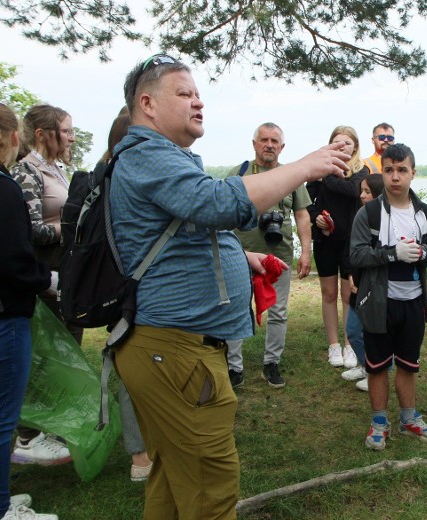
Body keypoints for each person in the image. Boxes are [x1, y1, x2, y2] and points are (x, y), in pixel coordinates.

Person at [110, 53, 348, 519]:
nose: (199, 102)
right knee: (209, 487)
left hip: (168, 348)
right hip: (176, 350)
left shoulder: (160, 157)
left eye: (198, 93)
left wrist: (241, 255)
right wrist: (304, 166)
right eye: (184, 93)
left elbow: (181, 228)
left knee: (174, 478)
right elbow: (218, 201)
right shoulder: (147, 154)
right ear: (147, 103)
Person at [0, 102, 58, 520]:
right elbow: (10, 259)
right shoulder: (0, 186)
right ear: (13, 137)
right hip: (1, 316)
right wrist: (46, 280)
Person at [349, 143, 427, 451]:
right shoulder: (370, 212)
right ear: (383, 172)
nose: (395, 177)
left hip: (414, 302)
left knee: (408, 363)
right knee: (376, 365)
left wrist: (424, 252)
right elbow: (356, 254)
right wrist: (392, 254)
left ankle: (408, 418)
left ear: (413, 173)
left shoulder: (425, 213)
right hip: (379, 302)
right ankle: (379, 422)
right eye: (389, 170)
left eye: (402, 170)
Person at [9, 104, 76, 467]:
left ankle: (56, 429)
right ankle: (29, 435)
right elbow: (29, 229)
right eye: (65, 131)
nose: (71, 137)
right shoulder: (26, 172)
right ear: (42, 134)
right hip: (43, 275)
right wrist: (71, 229)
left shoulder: (57, 170)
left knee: (66, 352)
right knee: (45, 356)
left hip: (66, 269)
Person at [225, 122, 313, 389]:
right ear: (254, 144)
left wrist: (306, 251)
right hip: (240, 254)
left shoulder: (291, 176)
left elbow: (302, 214)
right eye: (264, 139)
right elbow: (223, 212)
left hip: (280, 255)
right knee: (236, 310)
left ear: (282, 147)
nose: (269, 145)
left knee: (279, 312)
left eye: (275, 141)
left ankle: (271, 363)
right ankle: (233, 367)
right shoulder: (238, 174)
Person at [103, 107, 153, 482]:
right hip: (132, 289)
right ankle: (141, 456)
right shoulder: (124, 175)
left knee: (130, 365)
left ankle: (143, 451)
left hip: (113, 288)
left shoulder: (99, 174)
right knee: (135, 371)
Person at [307, 126, 369, 370]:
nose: (342, 145)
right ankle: (333, 345)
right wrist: (316, 218)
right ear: (330, 143)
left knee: (348, 295)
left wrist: (327, 176)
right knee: (329, 294)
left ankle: (349, 344)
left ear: (355, 146)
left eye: (347, 141)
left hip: (351, 242)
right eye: (337, 141)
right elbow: (306, 202)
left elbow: (352, 190)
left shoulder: (360, 171)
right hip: (325, 240)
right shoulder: (317, 172)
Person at [340, 174, 384, 392]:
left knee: (376, 332)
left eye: (367, 191)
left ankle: (377, 371)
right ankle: (365, 365)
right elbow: (352, 251)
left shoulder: (384, 220)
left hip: (376, 288)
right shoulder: (360, 215)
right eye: (362, 190)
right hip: (357, 285)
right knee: (353, 329)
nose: (362, 195)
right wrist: (350, 276)